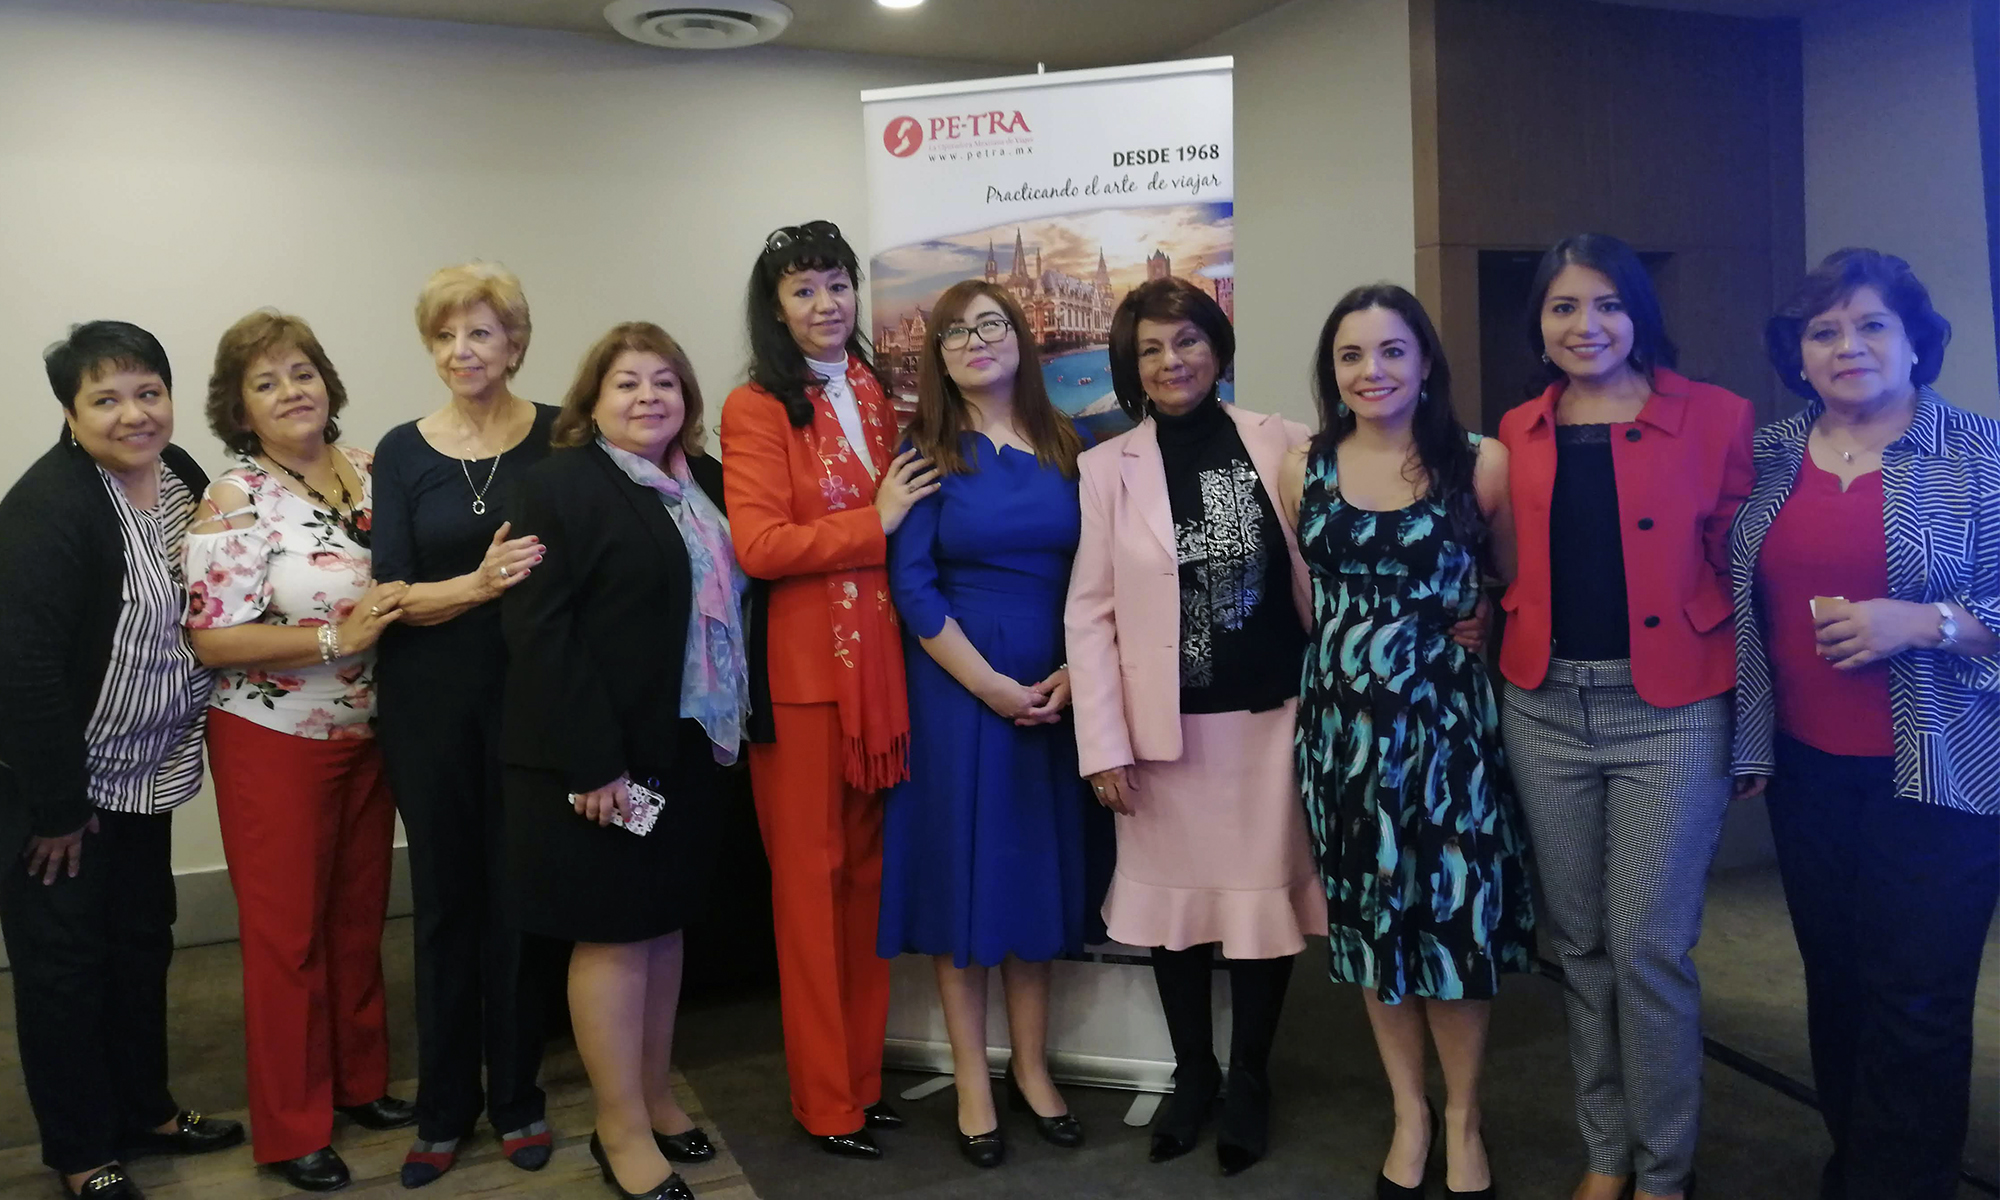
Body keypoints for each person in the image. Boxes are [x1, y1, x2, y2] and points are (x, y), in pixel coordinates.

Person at [1730, 249, 1999, 1200]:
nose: (1849, 346)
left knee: (1917, 1002)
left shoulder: (1980, 453)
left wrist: (1923, 623)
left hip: (1942, 774)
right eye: (1825, 331)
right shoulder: (1767, 455)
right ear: (1798, 355)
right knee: (1837, 986)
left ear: (1915, 341)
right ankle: (1858, 1168)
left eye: (1873, 325)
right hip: (1807, 769)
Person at [1496, 234, 1753, 1200]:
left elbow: (1744, 572)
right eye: (1563, 306)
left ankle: (1664, 1167)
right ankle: (1606, 1151)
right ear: (1540, 324)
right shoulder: (1517, 428)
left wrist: (1756, 724)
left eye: (1607, 303)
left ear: (1639, 312)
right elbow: (1500, 555)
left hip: (1673, 710)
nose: (1586, 325)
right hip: (1544, 704)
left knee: (1648, 945)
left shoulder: (1717, 417)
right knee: (1579, 945)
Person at [1065, 275, 1326, 1176]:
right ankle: (1193, 1075)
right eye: (1150, 349)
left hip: (1269, 724)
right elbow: (1089, 615)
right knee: (1172, 917)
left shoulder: (1283, 441)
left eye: (1186, 341)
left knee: (1259, 914)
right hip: (1161, 735)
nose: (1171, 361)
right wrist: (1102, 745)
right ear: (1130, 368)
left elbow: (1334, 563)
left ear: (1216, 346)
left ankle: (1250, 1078)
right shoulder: (1106, 468)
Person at [1283, 284, 1533, 1200]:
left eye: (1392, 350)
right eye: (1351, 355)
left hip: (1447, 729)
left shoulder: (1482, 461)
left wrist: (1486, 618)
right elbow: (1310, 601)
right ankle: (1409, 1113)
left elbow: (1512, 582)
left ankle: (1462, 1116)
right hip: (1343, 733)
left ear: (1425, 361)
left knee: (1455, 917)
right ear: (1332, 371)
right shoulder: (1303, 467)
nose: (1372, 371)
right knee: (1372, 921)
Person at [0, 322, 246, 1200]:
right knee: (64, 970)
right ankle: (80, 1152)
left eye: (149, 392)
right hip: (56, 789)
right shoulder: (49, 508)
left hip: (145, 773)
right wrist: (59, 808)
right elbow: (24, 666)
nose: (134, 414)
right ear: (71, 413)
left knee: (141, 945)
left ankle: (146, 1110)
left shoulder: (177, 476)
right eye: (105, 399)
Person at [501, 322, 746, 1200]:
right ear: (593, 401)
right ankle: (619, 1126)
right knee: (613, 933)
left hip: (688, 742)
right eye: (627, 383)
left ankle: (653, 1096)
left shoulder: (705, 484)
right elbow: (541, 633)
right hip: (601, 759)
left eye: (665, 382)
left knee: (664, 923)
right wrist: (594, 764)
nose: (648, 397)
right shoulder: (557, 486)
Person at [718, 220, 937, 1158]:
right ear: (775, 308)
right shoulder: (754, 406)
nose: (825, 304)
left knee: (867, 881)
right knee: (809, 890)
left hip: (886, 669)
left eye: (836, 284)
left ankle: (862, 1079)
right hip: (806, 681)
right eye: (803, 290)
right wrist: (872, 523)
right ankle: (824, 1099)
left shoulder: (878, 391)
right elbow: (759, 547)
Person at [183, 309, 413, 1192]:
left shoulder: (372, 469)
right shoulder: (234, 498)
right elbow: (212, 639)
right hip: (272, 737)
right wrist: (332, 638)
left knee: (357, 918)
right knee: (287, 939)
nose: (291, 392)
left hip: (371, 731)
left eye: (303, 372)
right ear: (239, 408)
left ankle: (361, 1084)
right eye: (266, 382)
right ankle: (291, 1127)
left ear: (328, 381)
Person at [876, 280, 1093, 1168]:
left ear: (1019, 338)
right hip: (959, 690)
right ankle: (972, 1079)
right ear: (938, 354)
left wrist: (1076, 670)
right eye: (956, 333)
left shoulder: (1070, 444)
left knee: (1034, 880)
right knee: (964, 881)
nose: (975, 342)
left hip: (1058, 688)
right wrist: (991, 686)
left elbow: (1100, 571)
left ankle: (1033, 1069)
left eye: (991, 325)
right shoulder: (924, 449)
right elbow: (911, 585)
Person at [371, 262, 560, 1187]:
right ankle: (444, 1109)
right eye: (444, 336)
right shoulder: (401, 451)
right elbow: (391, 594)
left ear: (514, 343)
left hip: (532, 703)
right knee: (446, 903)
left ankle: (518, 1098)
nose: (461, 351)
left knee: (520, 900)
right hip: (428, 707)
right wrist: (478, 586)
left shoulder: (563, 436)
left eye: (480, 333)